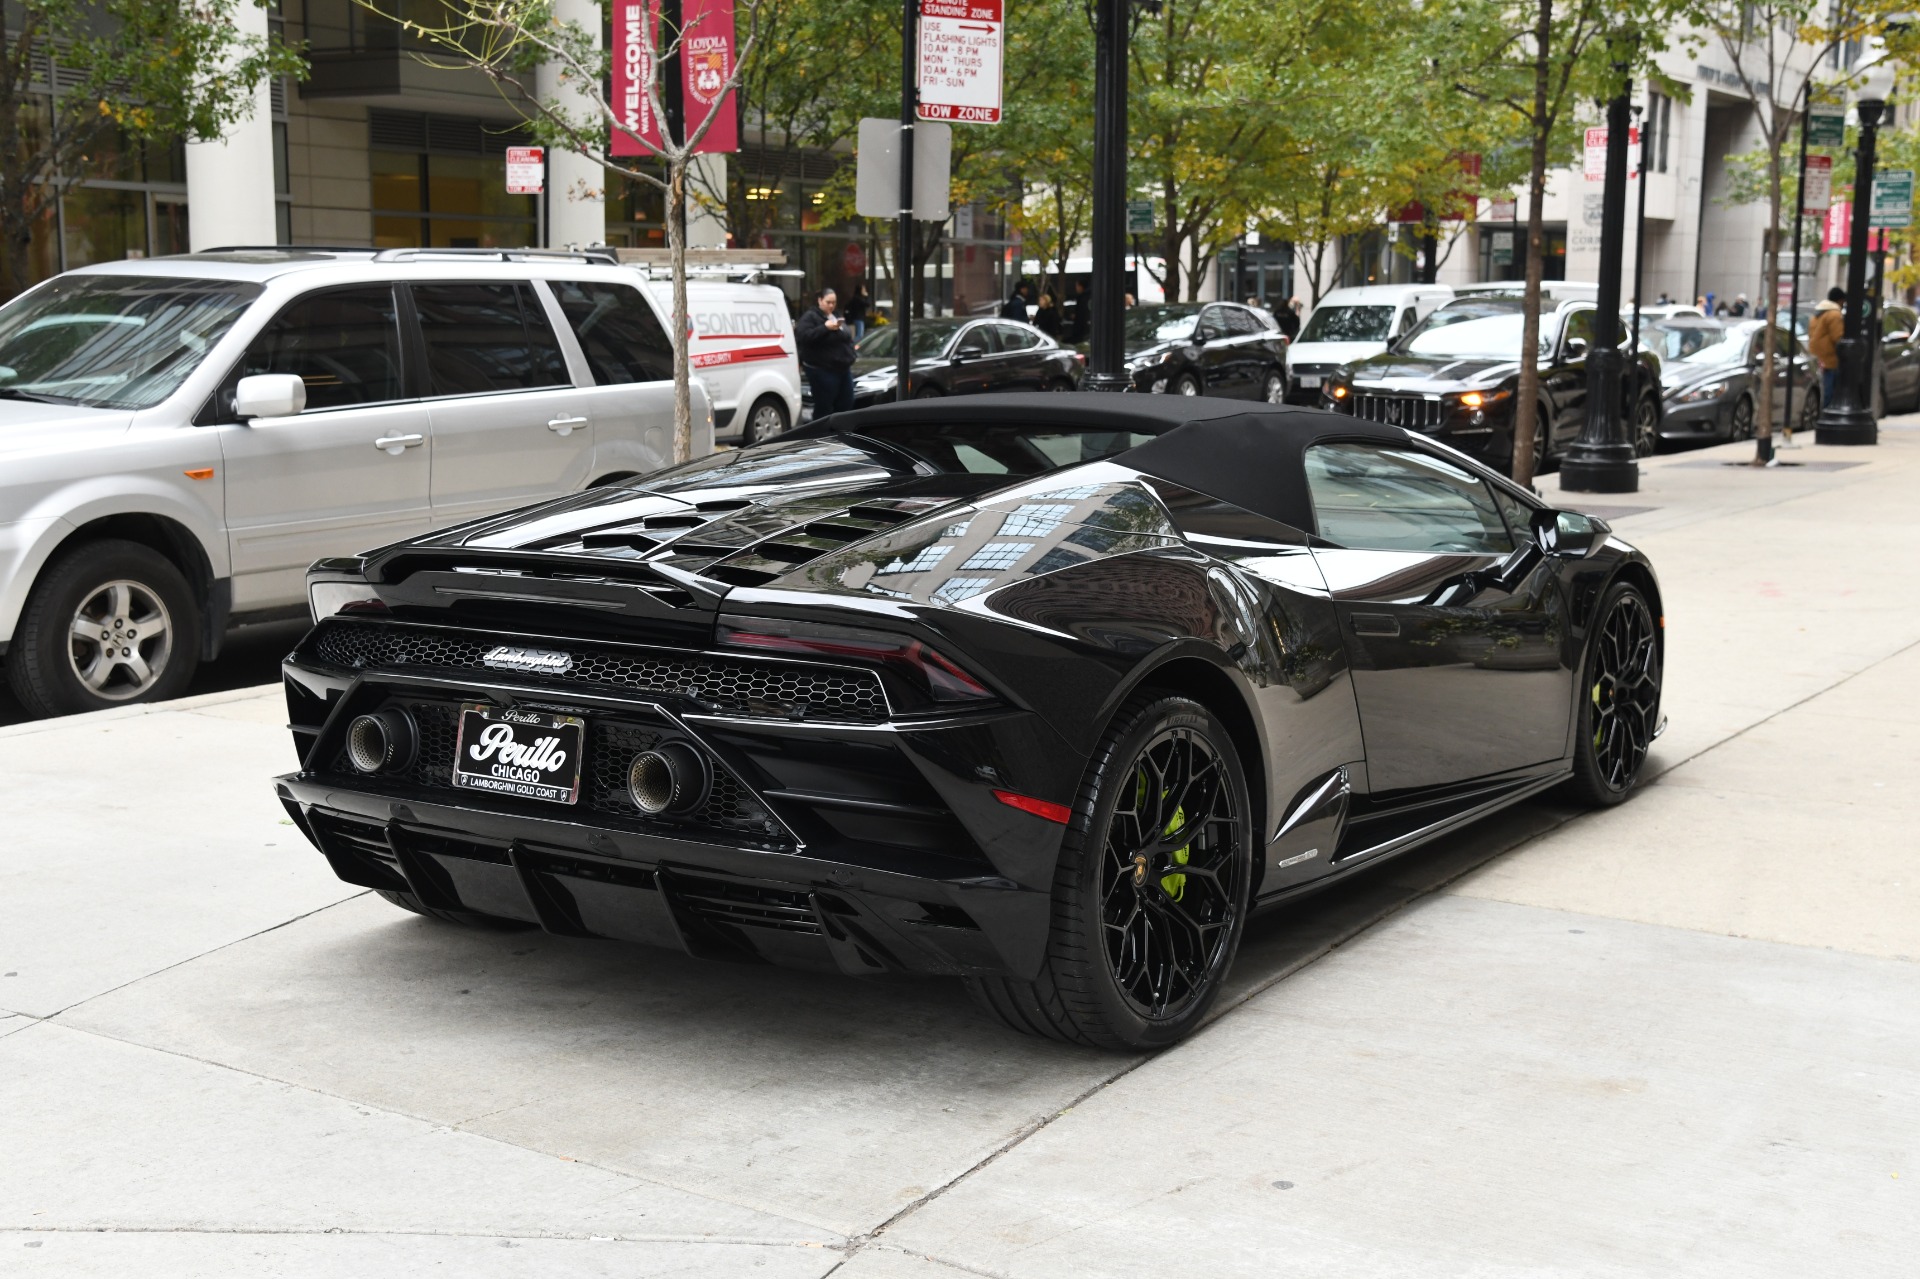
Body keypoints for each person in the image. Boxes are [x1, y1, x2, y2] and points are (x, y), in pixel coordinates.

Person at [794, 286, 857, 422]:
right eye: (828, 302)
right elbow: (804, 336)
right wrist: (825, 328)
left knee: (846, 402)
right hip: (822, 369)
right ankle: (822, 433)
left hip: (842, 367)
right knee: (824, 405)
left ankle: (840, 431)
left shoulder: (836, 315)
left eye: (833, 302)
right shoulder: (810, 317)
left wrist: (851, 352)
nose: (831, 305)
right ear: (820, 300)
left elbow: (847, 336)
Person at [1809, 287, 1845, 407]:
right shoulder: (1834, 314)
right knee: (1829, 393)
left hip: (1817, 359)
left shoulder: (1818, 314)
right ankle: (1826, 415)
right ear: (1840, 301)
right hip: (1829, 360)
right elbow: (1838, 337)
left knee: (1822, 390)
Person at [1066, 279, 1091, 344]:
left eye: (1077, 286)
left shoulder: (1083, 298)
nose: (1076, 288)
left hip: (1081, 328)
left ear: (1081, 286)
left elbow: (1081, 313)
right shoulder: (1085, 297)